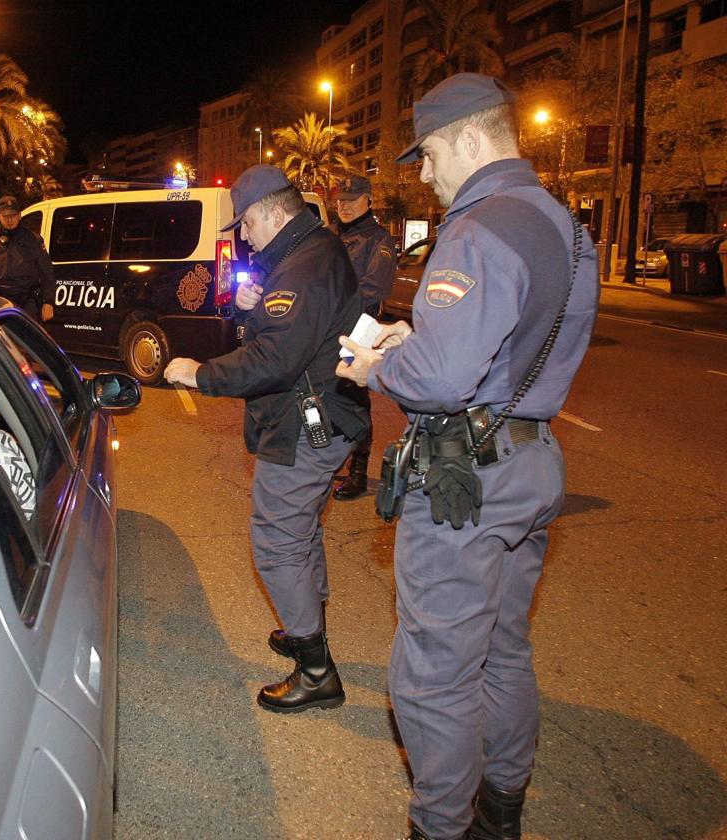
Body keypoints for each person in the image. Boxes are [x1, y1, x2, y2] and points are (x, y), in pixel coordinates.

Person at [336, 73, 598, 840]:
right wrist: (420, 341)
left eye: (430, 156)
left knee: (436, 675)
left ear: (473, 140)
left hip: (465, 480)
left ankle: (441, 827)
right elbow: (514, 350)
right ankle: (501, 812)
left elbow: (445, 379)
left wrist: (380, 364)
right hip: (531, 460)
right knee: (504, 649)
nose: (425, 175)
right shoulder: (568, 229)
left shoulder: (480, 227)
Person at [163, 164, 369, 714]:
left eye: (248, 223)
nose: (245, 236)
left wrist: (200, 373)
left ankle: (316, 668)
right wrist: (254, 308)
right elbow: (292, 331)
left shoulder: (302, 268)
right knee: (301, 530)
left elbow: (276, 360)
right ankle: (308, 624)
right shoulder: (312, 252)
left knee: (277, 541)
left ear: (275, 213)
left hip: (306, 424)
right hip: (327, 414)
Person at [331, 174, 398, 501]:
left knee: (354, 398)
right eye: (341, 199)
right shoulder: (333, 235)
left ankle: (358, 472)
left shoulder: (378, 239)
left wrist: (333, 302)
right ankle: (333, 460)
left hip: (359, 331)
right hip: (330, 328)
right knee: (328, 393)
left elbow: (376, 287)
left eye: (352, 199)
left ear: (368, 201)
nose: (344, 205)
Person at [0, 195, 55, 321]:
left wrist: (48, 302)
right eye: (5, 216)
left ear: (19, 215)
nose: (9, 220)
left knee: (26, 339)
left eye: (13, 215)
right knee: (0, 339)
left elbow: (46, 271)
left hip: (27, 299)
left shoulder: (33, 240)